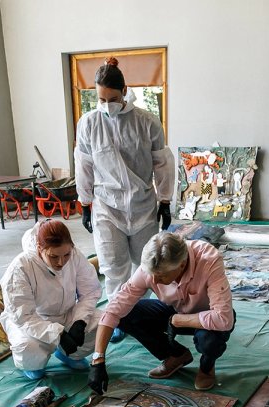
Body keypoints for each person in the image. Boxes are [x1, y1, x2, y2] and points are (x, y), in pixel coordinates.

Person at [74, 57, 175, 322]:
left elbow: (162, 163)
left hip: (142, 205)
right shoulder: (89, 124)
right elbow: (83, 165)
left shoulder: (147, 122)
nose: (107, 105)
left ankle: (139, 315)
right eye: (101, 99)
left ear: (125, 92)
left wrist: (165, 201)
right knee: (113, 266)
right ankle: (117, 317)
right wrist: (84, 204)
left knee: (145, 266)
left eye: (113, 98)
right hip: (107, 206)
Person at [88, 232, 235, 392]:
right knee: (126, 315)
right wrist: (98, 359)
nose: (155, 281)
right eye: (152, 275)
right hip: (174, 309)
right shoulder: (151, 269)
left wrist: (179, 320)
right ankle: (176, 355)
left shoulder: (208, 260)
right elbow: (114, 310)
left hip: (207, 315)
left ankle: (206, 368)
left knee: (210, 342)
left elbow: (223, 318)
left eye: (161, 276)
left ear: (181, 265)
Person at [0, 219, 101, 379]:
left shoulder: (74, 255)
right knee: (29, 348)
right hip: (35, 321)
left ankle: (68, 355)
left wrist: (79, 321)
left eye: (66, 255)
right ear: (40, 248)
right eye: (54, 257)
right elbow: (23, 316)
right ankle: (34, 364)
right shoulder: (20, 268)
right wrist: (58, 334)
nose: (61, 262)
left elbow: (90, 292)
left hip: (66, 313)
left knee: (102, 323)